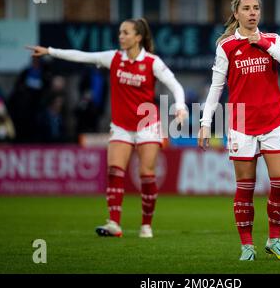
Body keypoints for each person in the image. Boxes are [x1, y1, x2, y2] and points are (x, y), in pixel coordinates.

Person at [27, 18, 187, 238]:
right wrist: (50, 51)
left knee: (146, 174)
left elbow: (175, 85)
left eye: (126, 32)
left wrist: (179, 106)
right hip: (121, 125)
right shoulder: (113, 58)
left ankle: (146, 225)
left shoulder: (152, 62)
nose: (121, 36)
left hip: (147, 124)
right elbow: (82, 56)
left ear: (138, 37)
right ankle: (114, 223)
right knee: (114, 172)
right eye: (120, 32)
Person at [198, 0, 280, 261]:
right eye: (246, 8)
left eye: (256, 8)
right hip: (241, 124)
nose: (253, 12)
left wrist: (266, 44)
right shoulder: (227, 46)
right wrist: (205, 123)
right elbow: (216, 88)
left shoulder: (273, 40)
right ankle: (247, 246)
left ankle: (274, 240)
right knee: (245, 186)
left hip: (273, 120)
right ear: (237, 14)